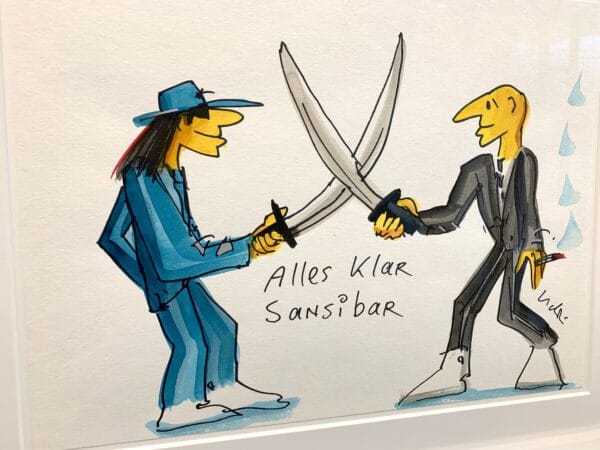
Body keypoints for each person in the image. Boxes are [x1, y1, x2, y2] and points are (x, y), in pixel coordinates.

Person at [99, 80, 288, 431]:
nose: (221, 135)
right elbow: (177, 258)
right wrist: (248, 248)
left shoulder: (166, 172)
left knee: (221, 329)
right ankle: (178, 407)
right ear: (183, 123)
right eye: (214, 125)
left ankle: (223, 387)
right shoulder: (146, 178)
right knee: (191, 343)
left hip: (172, 279)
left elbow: (112, 238)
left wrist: (148, 279)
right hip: (173, 278)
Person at [373, 85, 565, 404]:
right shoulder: (478, 169)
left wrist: (535, 246)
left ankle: (544, 347)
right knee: (468, 304)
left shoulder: (525, 159)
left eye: (489, 109)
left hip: (518, 248)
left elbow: (529, 206)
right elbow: (451, 214)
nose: (480, 121)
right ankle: (454, 368)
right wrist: (412, 218)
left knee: (506, 313)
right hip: (502, 245)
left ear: (512, 110)